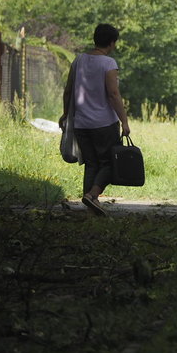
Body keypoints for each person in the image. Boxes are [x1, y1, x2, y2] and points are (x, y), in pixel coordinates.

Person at [59, 23, 130, 216]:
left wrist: (66, 114)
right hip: (103, 124)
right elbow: (113, 94)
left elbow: (68, 91)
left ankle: (91, 205)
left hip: (81, 123)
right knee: (109, 163)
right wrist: (124, 121)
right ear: (112, 42)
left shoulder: (79, 60)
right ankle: (92, 195)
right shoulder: (109, 64)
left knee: (91, 164)